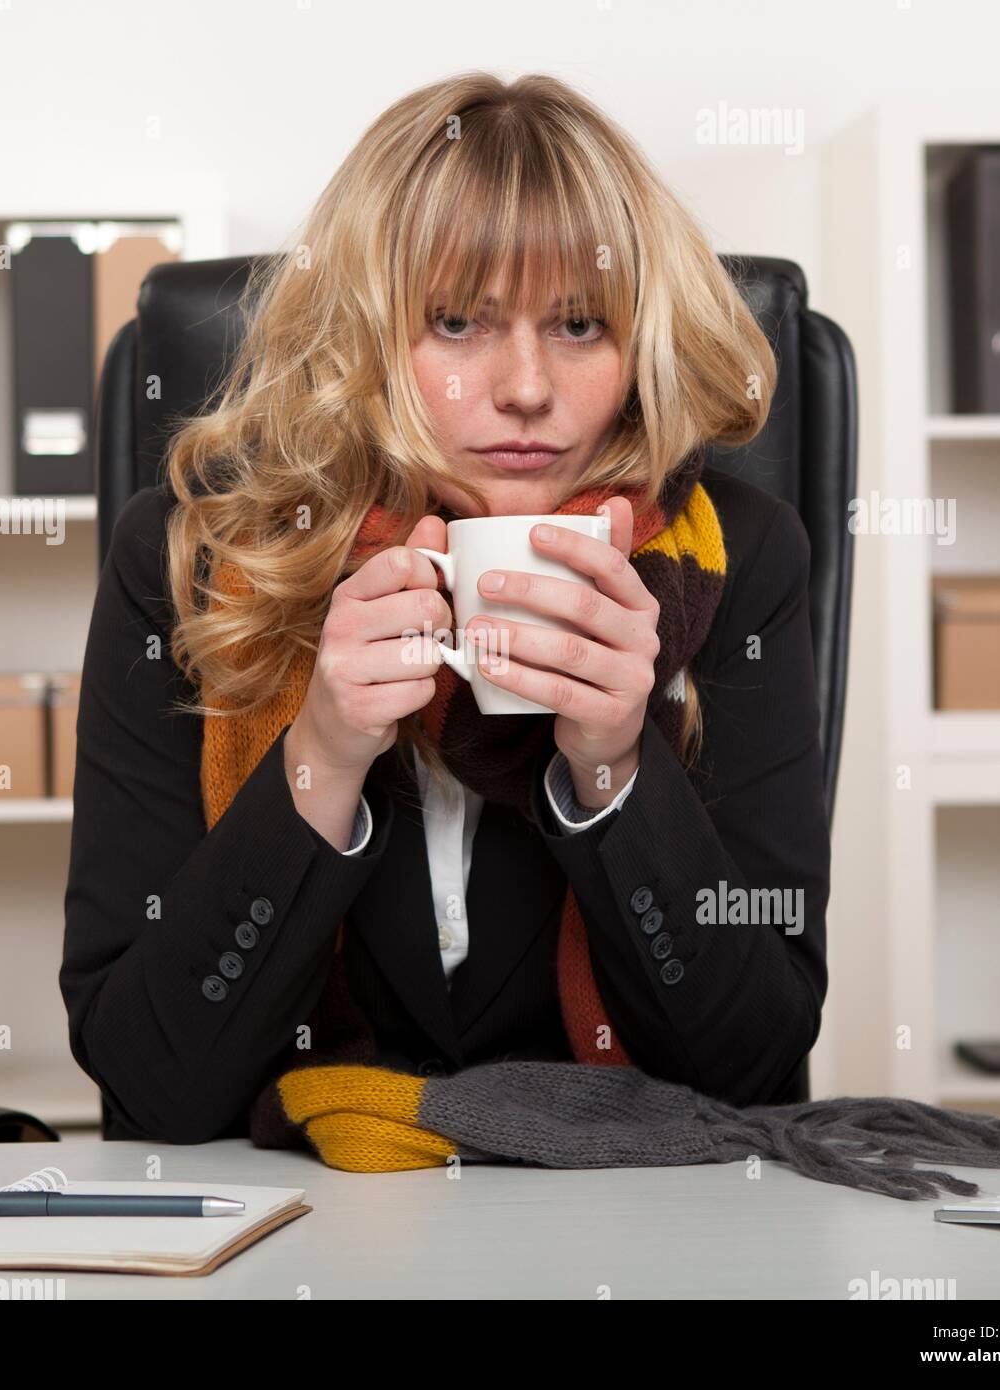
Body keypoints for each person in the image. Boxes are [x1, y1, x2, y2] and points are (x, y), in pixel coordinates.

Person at [59, 72, 830, 1145]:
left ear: (638, 339)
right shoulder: (190, 559)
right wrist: (321, 756)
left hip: (627, 1224)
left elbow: (753, 1070)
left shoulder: (734, 561)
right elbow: (153, 1087)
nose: (522, 386)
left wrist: (613, 768)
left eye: (577, 324)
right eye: (457, 321)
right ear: (367, 336)